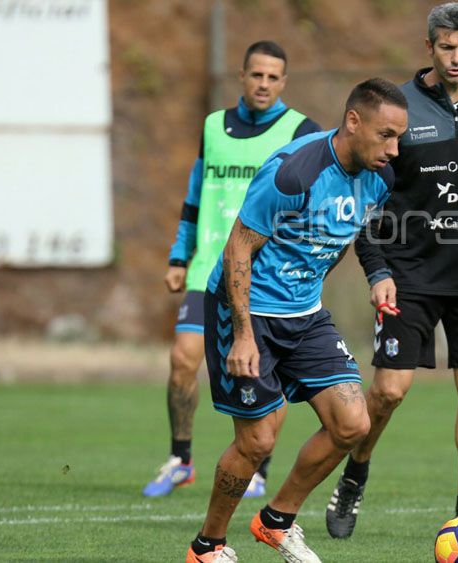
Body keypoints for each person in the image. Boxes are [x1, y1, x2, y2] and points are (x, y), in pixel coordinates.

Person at [185, 78, 408, 563]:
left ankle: (276, 521)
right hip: (246, 312)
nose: (394, 149)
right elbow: (237, 247)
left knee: (353, 423)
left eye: (399, 137)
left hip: (304, 315)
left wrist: (379, 274)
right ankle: (208, 547)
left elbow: (363, 228)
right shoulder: (294, 173)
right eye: (385, 135)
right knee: (259, 439)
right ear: (353, 121)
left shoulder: (380, 176)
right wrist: (242, 335)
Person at [326, 2, 458, 540]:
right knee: (388, 392)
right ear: (429, 47)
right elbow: (367, 199)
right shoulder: (400, 107)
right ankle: (356, 472)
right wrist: (377, 269)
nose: (456, 58)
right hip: (409, 272)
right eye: (447, 47)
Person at [144, 41, 321, 498]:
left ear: (284, 82)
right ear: (242, 76)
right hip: (209, 266)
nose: (263, 84)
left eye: (272, 77)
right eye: (255, 74)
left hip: (264, 273)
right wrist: (179, 257)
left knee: (263, 369)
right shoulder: (213, 127)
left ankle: (258, 467)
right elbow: (195, 196)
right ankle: (181, 459)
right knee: (183, 359)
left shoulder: (301, 130)